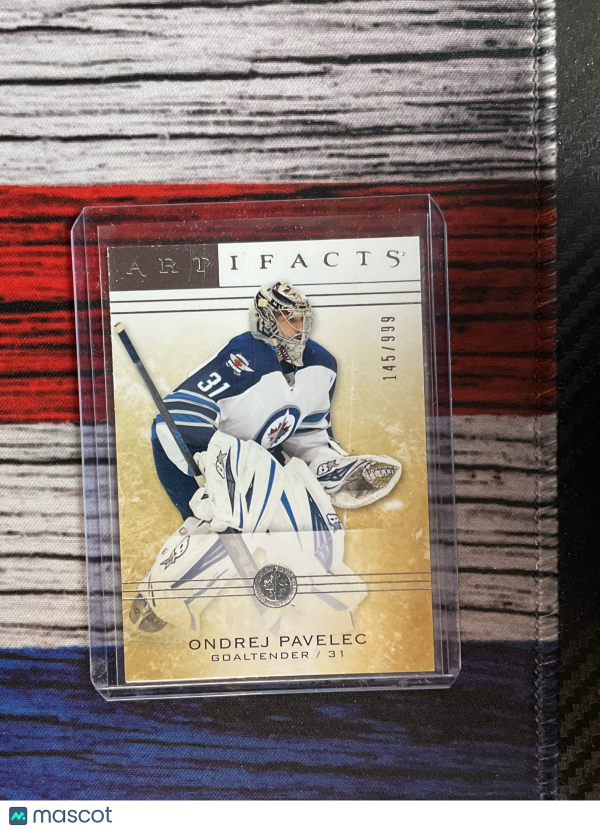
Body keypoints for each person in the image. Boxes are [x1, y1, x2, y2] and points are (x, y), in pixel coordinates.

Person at [129, 281, 401, 633]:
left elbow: (306, 434)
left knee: (308, 518)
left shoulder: (322, 365)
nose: (299, 328)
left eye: (301, 319)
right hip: (192, 457)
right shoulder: (245, 357)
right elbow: (178, 417)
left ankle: (326, 606)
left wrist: (327, 465)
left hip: (260, 466)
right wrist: (212, 472)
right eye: (289, 319)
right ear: (266, 320)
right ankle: (157, 602)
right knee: (234, 516)